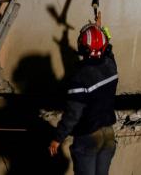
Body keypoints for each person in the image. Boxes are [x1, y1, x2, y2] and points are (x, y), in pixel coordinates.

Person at [48, 14, 118, 175]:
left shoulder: (79, 77)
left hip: (88, 138)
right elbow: (108, 50)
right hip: (108, 135)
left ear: (81, 48)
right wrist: (101, 29)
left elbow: (73, 114)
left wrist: (58, 138)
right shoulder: (111, 66)